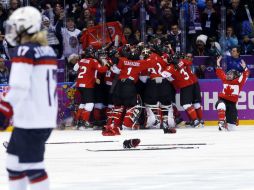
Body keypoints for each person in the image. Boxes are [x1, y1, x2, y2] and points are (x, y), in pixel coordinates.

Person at [0, 6, 58, 190]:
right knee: (14, 164)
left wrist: (4, 109)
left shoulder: (25, 50)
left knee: (33, 167)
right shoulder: (46, 49)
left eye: (16, 26)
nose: (12, 30)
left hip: (32, 121)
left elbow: (19, 87)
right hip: (38, 118)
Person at [215, 56, 249, 131]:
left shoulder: (238, 82)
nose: (228, 75)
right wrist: (218, 63)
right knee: (221, 105)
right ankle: (221, 122)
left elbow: (245, 75)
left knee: (232, 128)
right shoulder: (224, 79)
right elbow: (219, 72)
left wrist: (245, 68)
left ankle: (231, 120)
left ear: (235, 76)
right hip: (222, 100)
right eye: (227, 74)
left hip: (232, 104)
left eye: (230, 74)